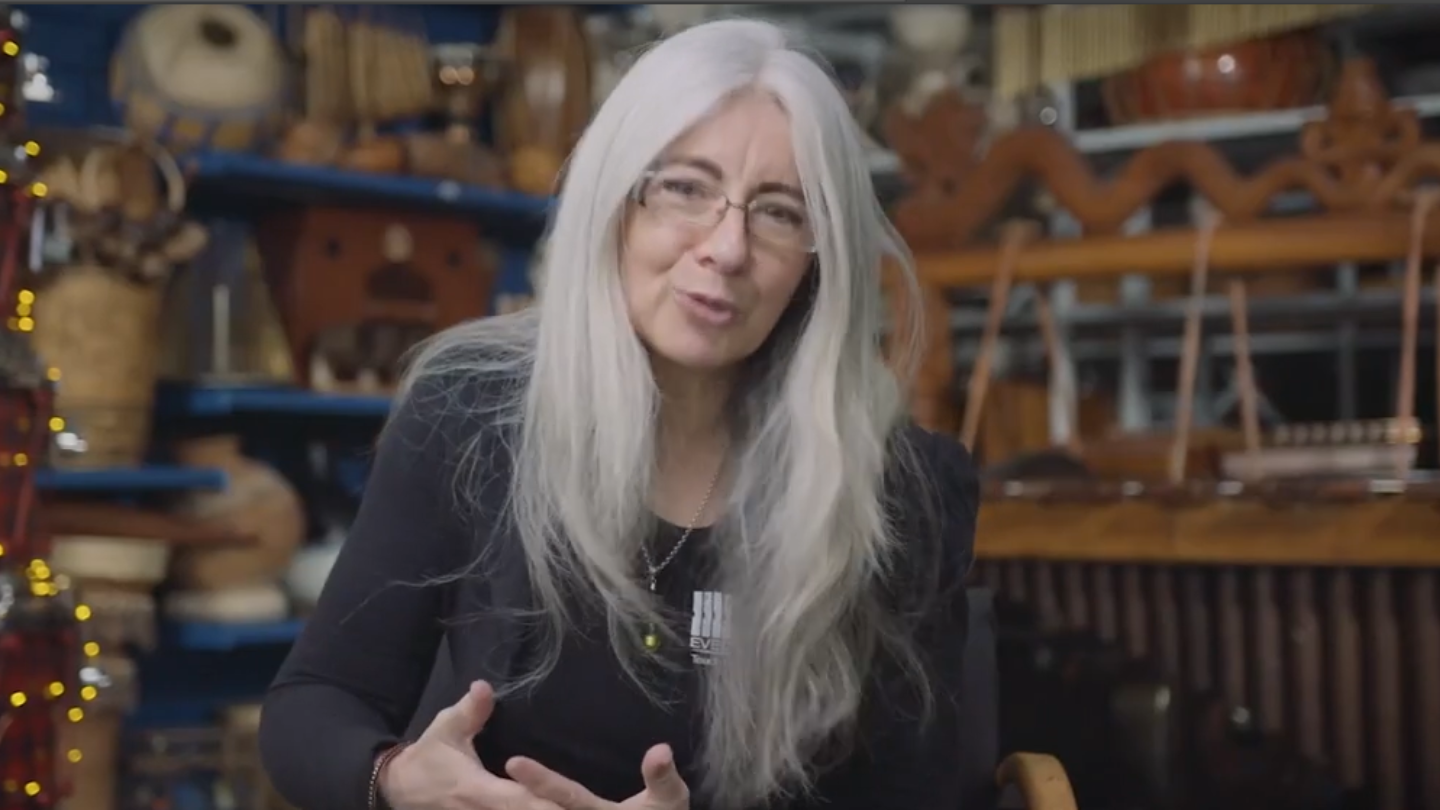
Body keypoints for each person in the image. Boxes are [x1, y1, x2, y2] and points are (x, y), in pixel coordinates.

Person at [258, 16, 978, 810]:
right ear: (615, 203)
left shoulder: (899, 490)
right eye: (685, 188)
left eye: (779, 211)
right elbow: (315, 702)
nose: (726, 248)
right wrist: (395, 778)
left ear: (819, 263)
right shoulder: (472, 410)